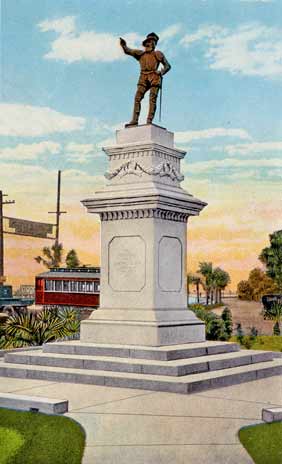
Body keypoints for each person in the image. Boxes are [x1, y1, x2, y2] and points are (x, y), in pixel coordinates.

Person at [120, 32, 171, 126]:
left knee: (152, 99)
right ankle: (134, 120)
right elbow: (128, 51)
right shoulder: (140, 54)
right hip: (143, 77)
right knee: (137, 98)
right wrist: (123, 45)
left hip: (154, 76)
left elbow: (167, 66)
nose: (148, 44)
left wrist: (161, 72)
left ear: (154, 44)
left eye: (151, 42)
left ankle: (149, 121)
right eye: (147, 42)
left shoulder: (158, 54)